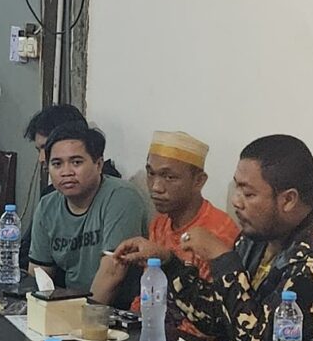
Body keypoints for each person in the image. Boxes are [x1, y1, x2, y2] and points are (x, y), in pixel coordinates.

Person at [161, 134, 313, 341]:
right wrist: (169, 264)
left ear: (288, 200)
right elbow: (220, 320)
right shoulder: (262, 232)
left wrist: (223, 259)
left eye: (248, 194)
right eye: (237, 188)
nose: (236, 201)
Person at [93, 130, 237, 308]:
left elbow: (213, 312)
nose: (156, 187)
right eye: (151, 174)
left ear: (199, 181)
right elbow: (149, 291)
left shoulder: (218, 230)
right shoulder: (160, 223)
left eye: (169, 177)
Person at [24, 121, 149, 292]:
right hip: (69, 301)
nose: (66, 172)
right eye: (57, 164)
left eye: (76, 162)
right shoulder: (47, 205)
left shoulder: (122, 197)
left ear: (99, 165)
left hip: (113, 304)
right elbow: (39, 274)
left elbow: (113, 272)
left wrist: (86, 309)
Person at [22, 101, 85, 201]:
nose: (41, 159)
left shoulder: (109, 194)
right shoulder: (49, 197)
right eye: (39, 150)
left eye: (47, 148)